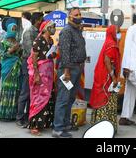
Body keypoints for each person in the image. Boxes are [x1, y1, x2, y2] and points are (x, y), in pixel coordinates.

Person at [53, 8, 86, 138]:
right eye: (76, 15)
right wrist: (66, 71)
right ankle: (58, 129)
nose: (79, 16)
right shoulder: (66, 31)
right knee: (63, 98)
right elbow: (65, 52)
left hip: (77, 69)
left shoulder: (77, 30)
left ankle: (66, 124)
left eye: (80, 14)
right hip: (68, 69)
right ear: (70, 17)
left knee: (71, 97)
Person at [89, 25, 121, 133]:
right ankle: (106, 127)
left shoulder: (108, 42)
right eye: (117, 31)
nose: (118, 33)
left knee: (101, 97)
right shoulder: (111, 44)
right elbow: (108, 61)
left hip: (100, 74)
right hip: (107, 78)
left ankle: (97, 124)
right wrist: (113, 77)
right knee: (106, 99)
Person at [28, 20, 57, 136]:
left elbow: (49, 55)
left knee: (48, 96)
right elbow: (34, 57)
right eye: (51, 26)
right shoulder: (38, 40)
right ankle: (34, 125)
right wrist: (36, 74)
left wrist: (54, 54)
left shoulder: (51, 40)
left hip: (49, 72)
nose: (53, 28)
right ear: (45, 28)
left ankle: (44, 123)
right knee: (38, 97)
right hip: (40, 72)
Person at [16, 12, 43, 127]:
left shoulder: (39, 32)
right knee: (25, 91)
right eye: (41, 19)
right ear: (37, 20)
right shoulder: (29, 32)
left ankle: (28, 115)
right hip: (28, 64)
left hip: (36, 64)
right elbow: (30, 51)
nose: (42, 22)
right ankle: (20, 117)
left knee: (32, 92)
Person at [0, 23, 23, 121]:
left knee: (15, 90)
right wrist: (12, 49)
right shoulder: (3, 41)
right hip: (7, 67)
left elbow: (20, 54)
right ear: (8, 29)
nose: (14, 30)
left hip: (16, 67)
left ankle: (12, 113)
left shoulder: (17, 41)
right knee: (6, 89)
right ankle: (4, 114)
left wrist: (19, 49)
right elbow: (2, 55)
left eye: (15, 28)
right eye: (12, 28)